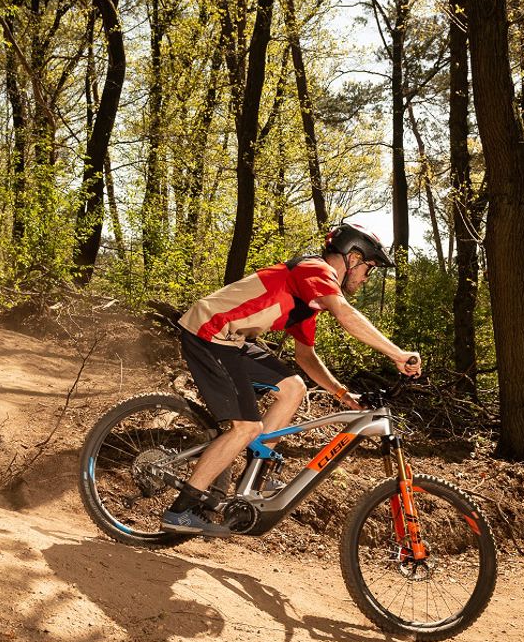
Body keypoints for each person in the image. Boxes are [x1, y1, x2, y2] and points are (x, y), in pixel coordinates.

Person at [164, 223, 422, 536]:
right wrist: (397, 354)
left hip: (231, 339)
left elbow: (306, 358)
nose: (367, 278)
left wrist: (341, 393)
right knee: (247, 426)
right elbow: (346, 315)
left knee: (293, 386)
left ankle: (255, 477)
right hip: (210, 331)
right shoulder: (316, 269)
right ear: (353, 258)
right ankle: (181, 510)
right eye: (369, 268)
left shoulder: (309, 301)